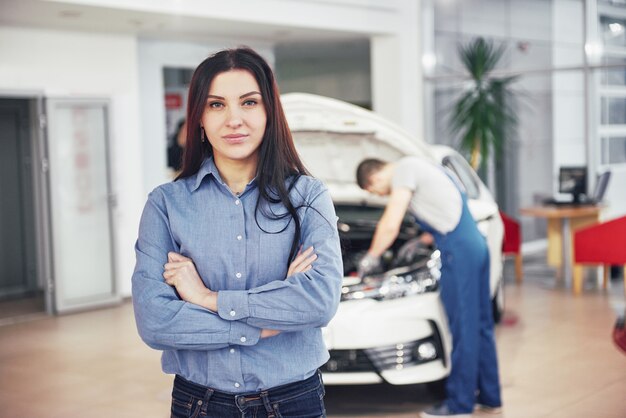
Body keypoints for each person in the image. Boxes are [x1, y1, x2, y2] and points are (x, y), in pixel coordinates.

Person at [132, 47, 343, 418]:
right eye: (216, 105)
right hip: (199, 404)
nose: (233, 119)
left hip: (293, 402)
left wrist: (206, 298)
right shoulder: (166, 204)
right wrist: (263, 326)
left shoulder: (308, 197)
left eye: (248, 102)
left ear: (269, 113)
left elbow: (319, 302)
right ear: (197, 118)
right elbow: (155, 321)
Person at [356, 156, 502, 418]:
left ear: (374, 178)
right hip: (474, 246)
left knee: (463, 329)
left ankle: (459, 406)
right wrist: (422, 240)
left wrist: (372, 257)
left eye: (373, 191)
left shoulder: (403, 171)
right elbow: (444, 210)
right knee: (480, 325)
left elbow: (391, 223)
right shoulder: (422, 165)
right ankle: (489, 394)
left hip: (458, 252)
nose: (378, 195)